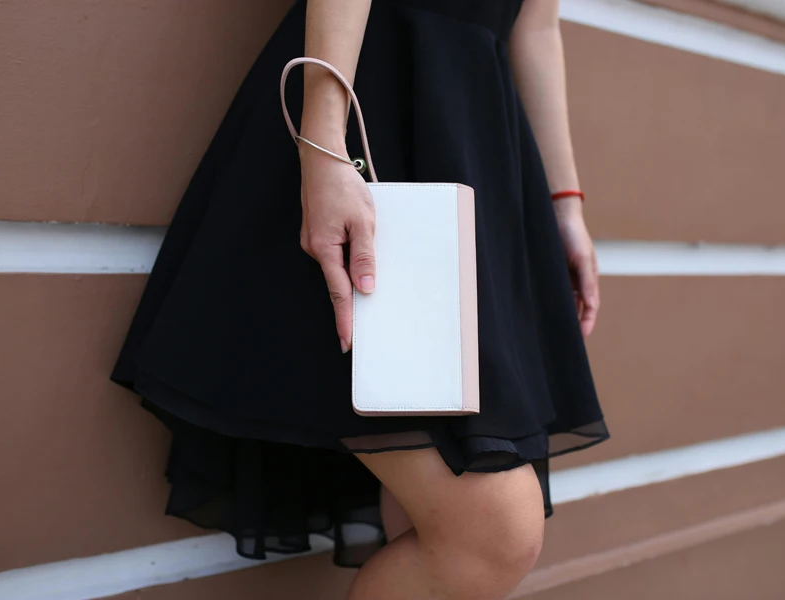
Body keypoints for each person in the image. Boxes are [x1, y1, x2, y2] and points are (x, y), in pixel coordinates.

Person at [112, 0, 608, 598]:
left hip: (474, 132)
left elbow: (537, 22)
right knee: (491, 531)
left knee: (433, 514)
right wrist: (323, 143)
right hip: (373, 105)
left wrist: (564, 204)